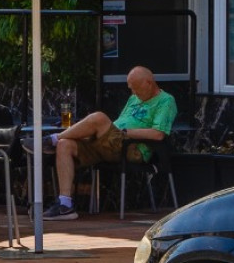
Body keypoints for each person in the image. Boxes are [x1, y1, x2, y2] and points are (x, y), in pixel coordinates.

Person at [44, 65, 176, 221]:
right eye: (131, 89)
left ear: (149, 83)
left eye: (136, 88)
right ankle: (65, 205)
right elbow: (121, 121)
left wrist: (125, 132)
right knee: (65, 144)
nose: (134, 93)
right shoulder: (134, 98)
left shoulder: (166, 101)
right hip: (111, 145)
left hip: (132, 148)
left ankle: (51, 139)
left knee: (98, 118)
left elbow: (158, 134)